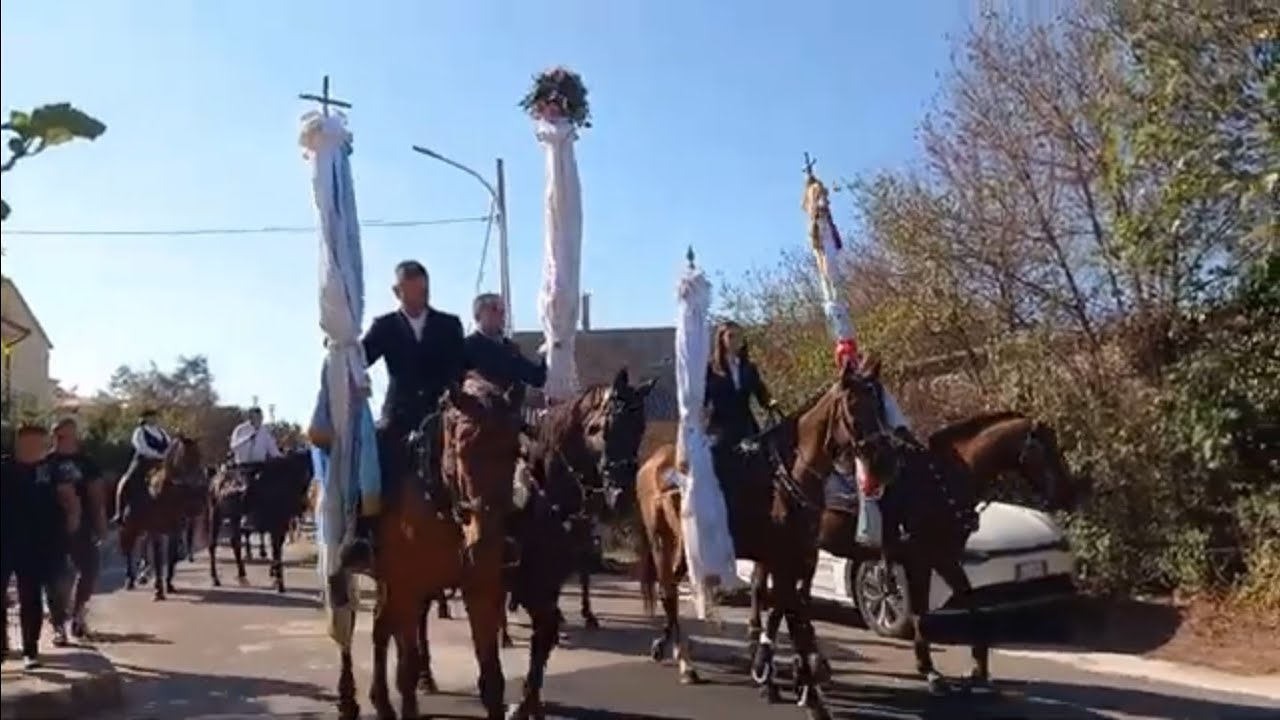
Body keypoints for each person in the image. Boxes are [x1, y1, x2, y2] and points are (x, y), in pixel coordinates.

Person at [340, 259, 466, 572]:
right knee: (373, 459)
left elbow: (461, 367)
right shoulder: (385, 326)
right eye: (410, 291)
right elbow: (363, 358)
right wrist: (342, 348)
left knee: (478, 457)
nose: (417, 296)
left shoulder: (449, 325)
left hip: (442, 413)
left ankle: (489, 535)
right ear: (397, 291)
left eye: (422, 290)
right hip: (399, 414)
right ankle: (363, 538)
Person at [1, 424, 82, 669]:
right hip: (5, 540)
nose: (33, 448)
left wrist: (71, 524)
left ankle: (30, 650)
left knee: (30, 598)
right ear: (19, 444)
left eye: (38, 443)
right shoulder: (4, 468)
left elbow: (69, 499)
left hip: (38, 542)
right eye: (28, 443)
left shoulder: (52, 470)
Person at [45, 418, 107, 641]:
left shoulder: (87, 463)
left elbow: (97, 497)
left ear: (74, 436)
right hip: (52, 528)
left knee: (89, 571)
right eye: (57, 436)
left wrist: (101, 525)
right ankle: (58, 625)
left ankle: (79, 613)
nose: (60, 440)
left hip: (84, 526)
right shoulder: (46, 463)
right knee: (54, 576)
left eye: (65, 436)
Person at [703, 320, 779, 455]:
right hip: (720, 428)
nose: (735, 340)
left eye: (739, 336)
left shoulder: (749, 368)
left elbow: (760, 391)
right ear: (721, 339)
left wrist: (770, 402)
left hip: (746, 425)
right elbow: (704, 397)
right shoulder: (710, 369)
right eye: (731, 336)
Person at [464, 292, 546, 413]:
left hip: (510, 421)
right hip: (476, 420)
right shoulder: (465, 347)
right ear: (478, 315)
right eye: (495, 309)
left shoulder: (510, 349)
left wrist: (548, 354)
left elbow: (536, 378)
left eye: (503, 310)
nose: (502, 314)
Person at [112, 409, 171, 525]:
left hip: (162, 462)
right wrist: (158, 454)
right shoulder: (139, 431)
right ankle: (119, 512)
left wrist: (165, 455)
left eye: (155, 417)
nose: (153, 419)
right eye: (151, 417)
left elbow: (169, 445)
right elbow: (141, 447)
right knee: (126, 481)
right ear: (145, 419)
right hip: (144, 461)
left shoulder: (162, 432)